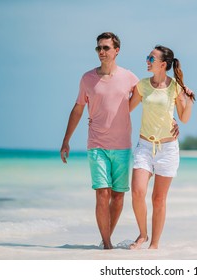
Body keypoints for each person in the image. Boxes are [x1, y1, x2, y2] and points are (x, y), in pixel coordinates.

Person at [59, 32, 139, 249]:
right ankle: (106, 244)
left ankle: (107, 238)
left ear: (116, 50)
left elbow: (150, 96)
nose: (101, 52)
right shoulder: (87, 78)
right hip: (97, 145)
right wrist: (66, 140)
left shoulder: (129, 77)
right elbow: (77, 109)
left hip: (122, 145)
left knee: (118, 197)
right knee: (102, 193)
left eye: (105, 48)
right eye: (98, 48)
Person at [129, 45, 195, 249]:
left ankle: (154, 245)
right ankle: (142, 235)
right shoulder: (142, 85)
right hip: (144, 147)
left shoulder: (175, 87)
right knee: (137, 192)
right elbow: (126, 109)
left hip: (167, 150)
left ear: (163, 64)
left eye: (151, 58)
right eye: (147, 57)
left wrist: (189, 100)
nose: (147, 60)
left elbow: (183, 118)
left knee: (158, 199)